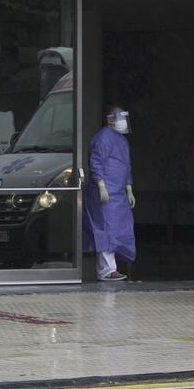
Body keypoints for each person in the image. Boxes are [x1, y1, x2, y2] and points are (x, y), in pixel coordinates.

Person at [83, 105, 136, 281]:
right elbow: (96, 162)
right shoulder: (103, 138)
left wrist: (128, 188)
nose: (122, 122)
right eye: (119, 118)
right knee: (105, 230)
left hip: (118, 194)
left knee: (119, 229)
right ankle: (107, 270)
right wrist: (101, 185)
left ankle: (111, 268)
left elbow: (126, 165)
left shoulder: (121, 140)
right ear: (110, 119)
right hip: (105, 194)